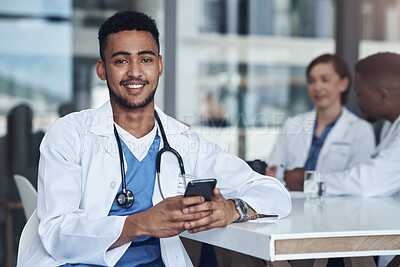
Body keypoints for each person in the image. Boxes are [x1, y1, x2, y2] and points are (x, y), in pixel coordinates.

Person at [18, 11, 291, 267]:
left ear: (159, 66)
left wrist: (234, 209)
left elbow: (275, 193)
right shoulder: (70, 134)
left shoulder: (182, 141)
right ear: (102, 70)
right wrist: (139, 224)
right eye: (121, 60)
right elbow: (56, 232)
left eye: (146, 59)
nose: (135, 72)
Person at [285, 52, 400, 197]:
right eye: (311, 80)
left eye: (359, 94)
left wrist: (309, 181)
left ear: (383, 95)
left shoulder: (362, 128)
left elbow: (367, 183)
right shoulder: (390, 126)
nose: (357, 100)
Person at [266, 54, 375, 189]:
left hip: (338, 207)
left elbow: (359, 181)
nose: (317, 87)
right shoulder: (293, 124)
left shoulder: (360, 130)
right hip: (290, 204)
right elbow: (273, 172)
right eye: (311, 81)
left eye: (325, 80)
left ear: (343, 84)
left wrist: (307, 182)